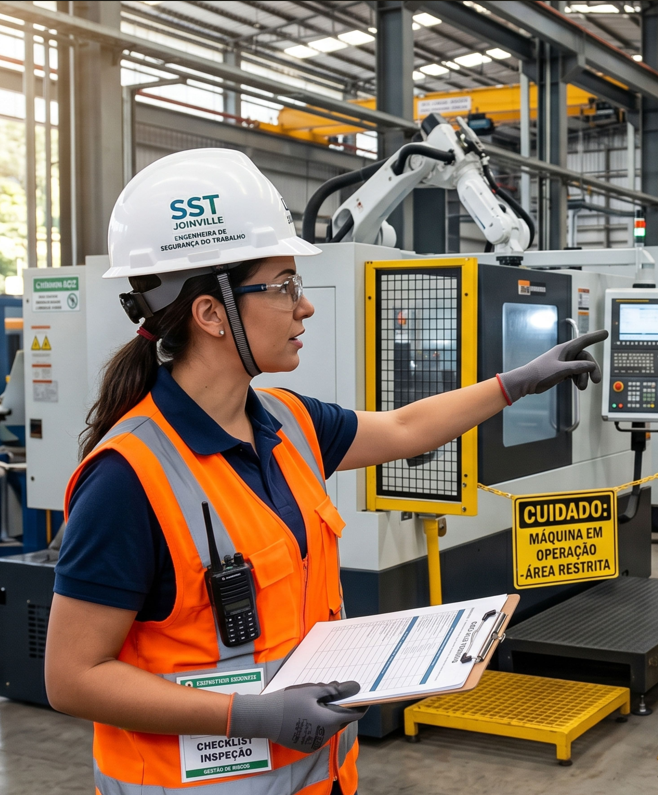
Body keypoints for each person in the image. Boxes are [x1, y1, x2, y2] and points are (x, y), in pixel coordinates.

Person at [44, 149, 606, 795]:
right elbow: (73, 675)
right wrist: (247, 714)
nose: (303, 307)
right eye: (283, 285)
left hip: (316, 777)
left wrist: (517, 382)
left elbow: (402, 429)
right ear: (211, 313)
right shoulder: (127, 478)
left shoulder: (285, 421)